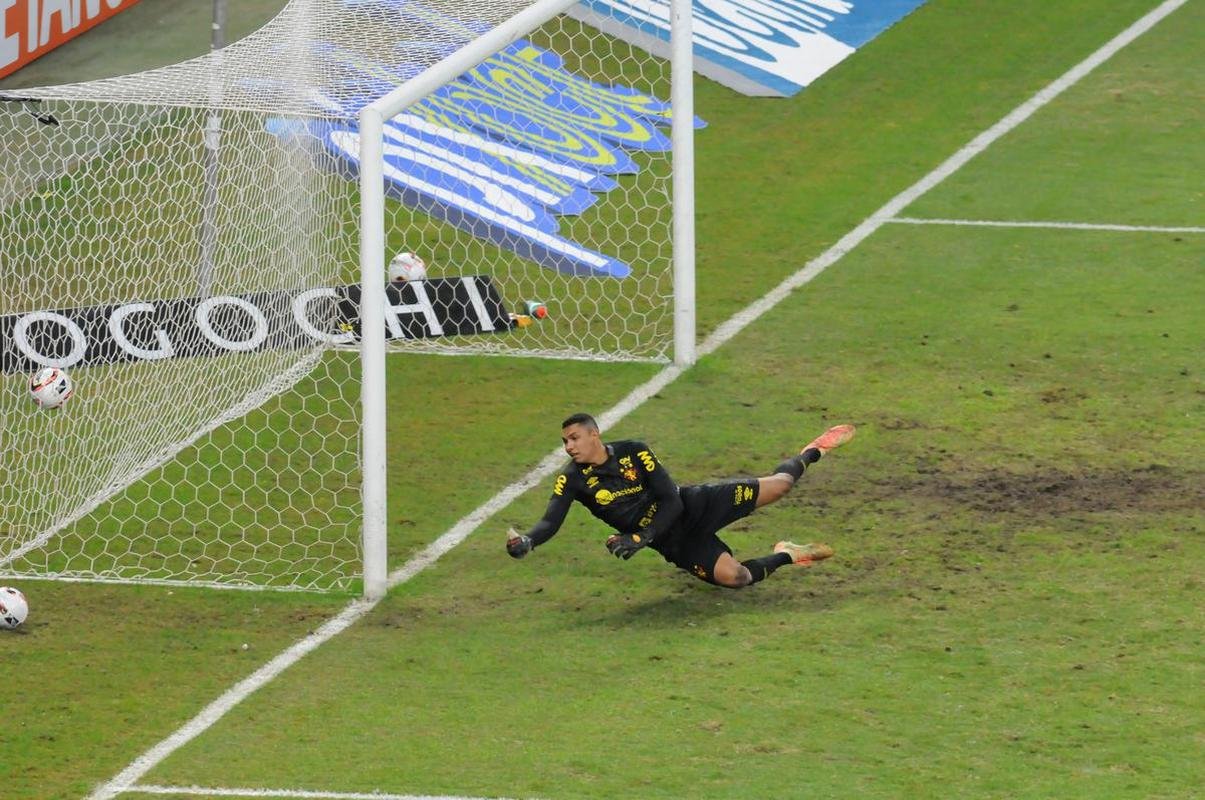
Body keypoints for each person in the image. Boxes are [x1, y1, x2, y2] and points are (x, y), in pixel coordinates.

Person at [505, 413, 855, 588]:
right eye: (565, 442)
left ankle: (813, 450)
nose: (569, 447)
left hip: (692, 506)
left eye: (574, 438)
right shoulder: (573, 479)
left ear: (594, 434)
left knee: (779, 486)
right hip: (674, 541)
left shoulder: (635, 451)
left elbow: (671, 500)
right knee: (738, 578)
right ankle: (789, 553)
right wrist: (529, 540)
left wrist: (641, 537)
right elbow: (552, 520)